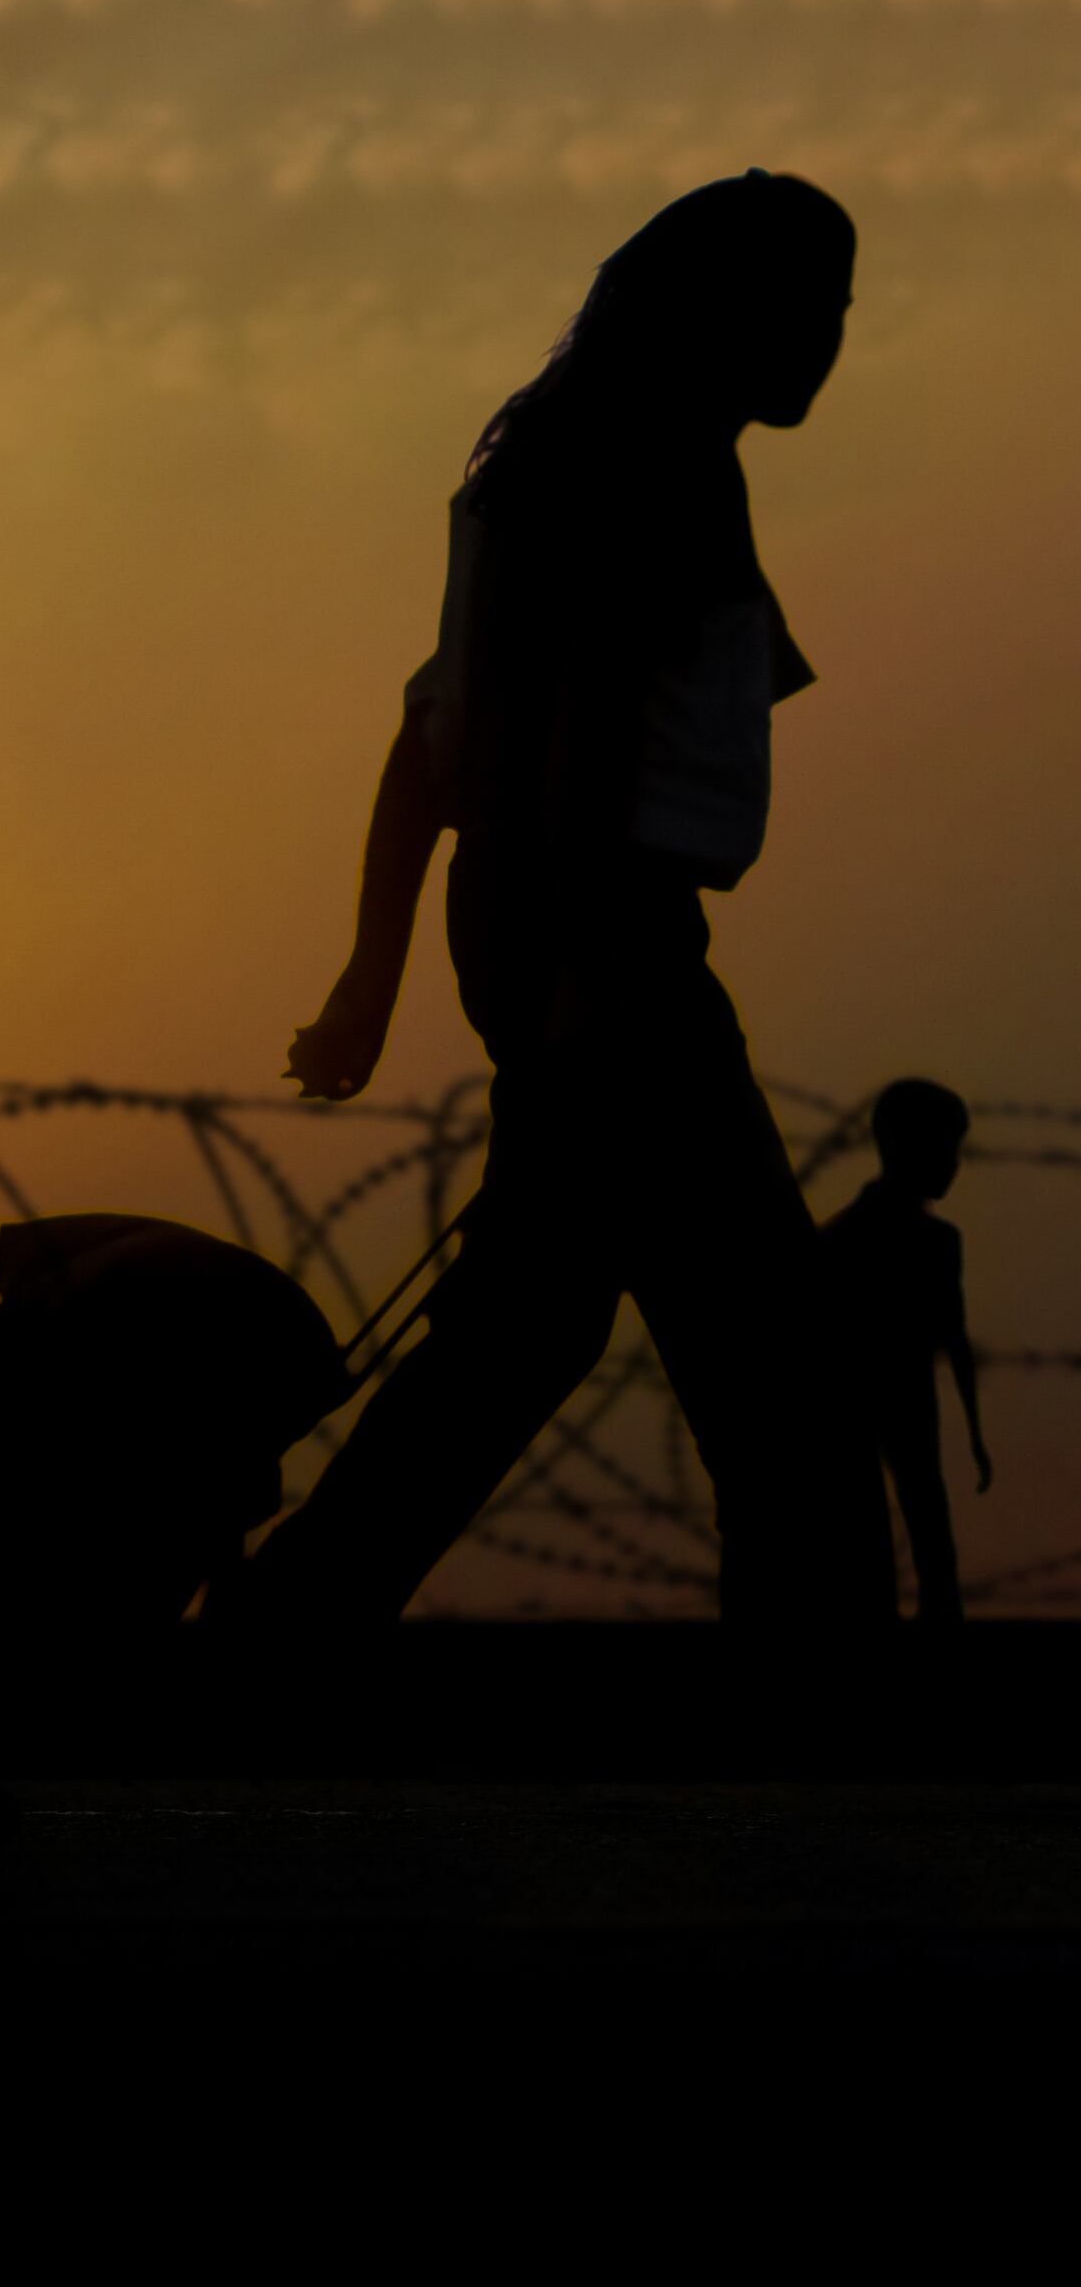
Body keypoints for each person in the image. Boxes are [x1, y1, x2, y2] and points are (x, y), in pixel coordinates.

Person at [246, 174, 890, 1622]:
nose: (829, 339)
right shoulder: (661, 466)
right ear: (727, 312)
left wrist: (376, 974)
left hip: (530, 922)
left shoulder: (543, 461)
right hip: (612, 935)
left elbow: (430, 746)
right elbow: (588, 729)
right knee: (780, 1371)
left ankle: (283, 1630)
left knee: (522, 1330)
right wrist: (599, 973)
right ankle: (837, 1722)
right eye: (810, 307)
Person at [817, 1078, 990, 1623]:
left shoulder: (931, 1242)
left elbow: (955, 1340)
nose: (953, 1165)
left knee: (929, 1540)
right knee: (877, 1540)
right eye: (945, 1148)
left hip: (910, 1407)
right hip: (862, 1407)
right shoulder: (846, 1241)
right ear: (901, 1143)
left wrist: (976, 1435)